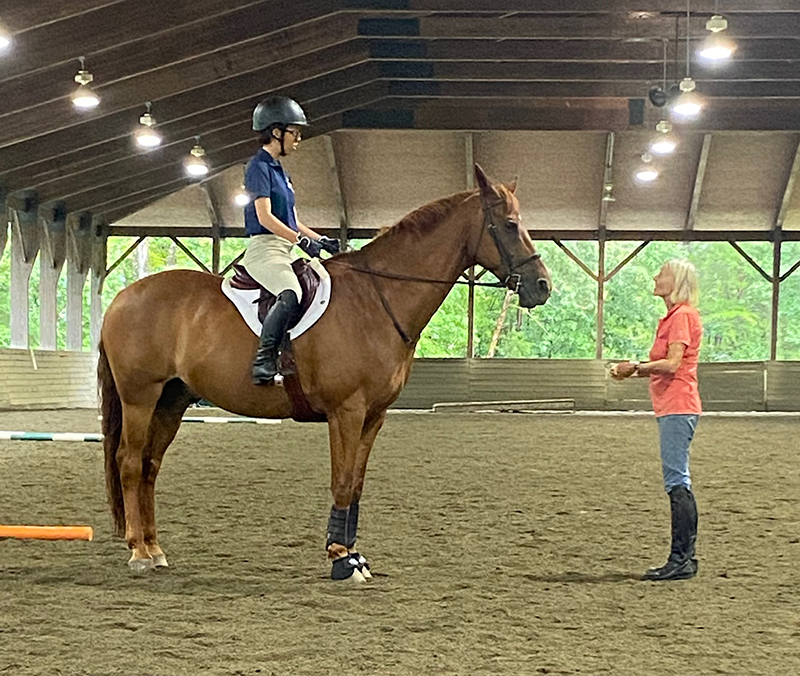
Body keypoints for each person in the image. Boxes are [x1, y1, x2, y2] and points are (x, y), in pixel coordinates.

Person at [610, 259, 702, 581]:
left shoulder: (682, 317)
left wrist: (635, 366)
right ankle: (684, 558)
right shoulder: (674, 318)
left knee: (677, 479)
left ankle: (681, 558)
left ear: (675, 281)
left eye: (661, 274)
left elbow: (673, 364)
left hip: (678, 405)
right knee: (676, 478)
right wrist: (634, 371)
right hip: (672, 405)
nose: (655, 277)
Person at [242, 96, 340, 385]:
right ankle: (264, 359)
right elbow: (265, 217)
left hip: (285, 246)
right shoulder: (258, 166)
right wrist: (300, 241)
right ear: (276, 132)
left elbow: (292, 220)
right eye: (294, 133)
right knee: (291, 292)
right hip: (265, 249)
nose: (298, 139)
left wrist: (320, 239)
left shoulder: (281, 172)